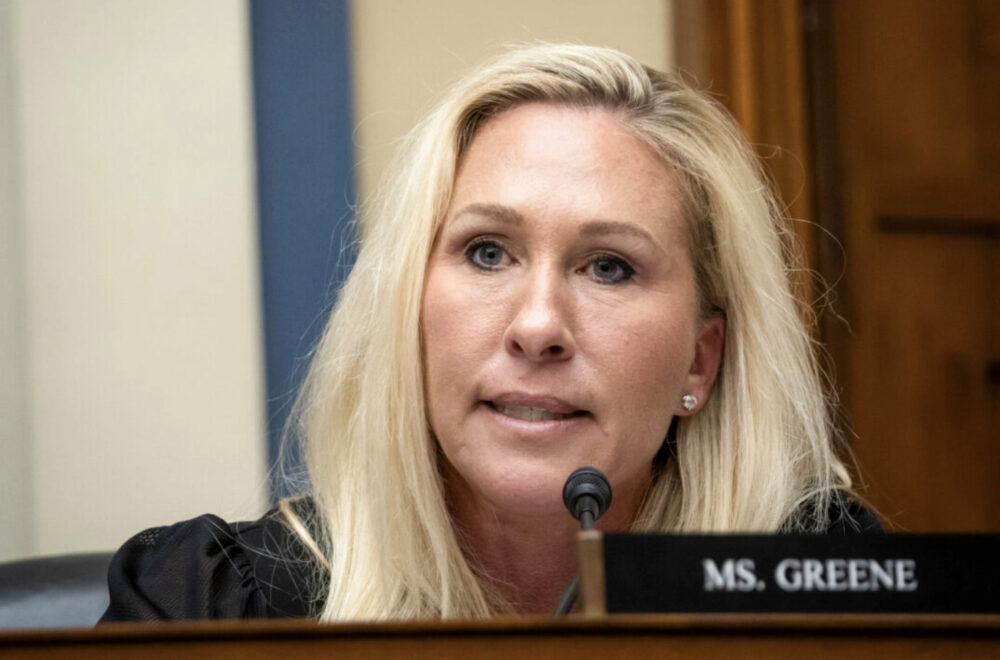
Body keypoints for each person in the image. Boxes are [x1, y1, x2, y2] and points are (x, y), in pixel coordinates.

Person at [100, 43, 879, 624]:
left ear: (701, 362)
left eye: (608, 267)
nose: (538, 326)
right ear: (408, 309)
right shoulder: (210, 604)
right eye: (486, 252)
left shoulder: (825, 590)